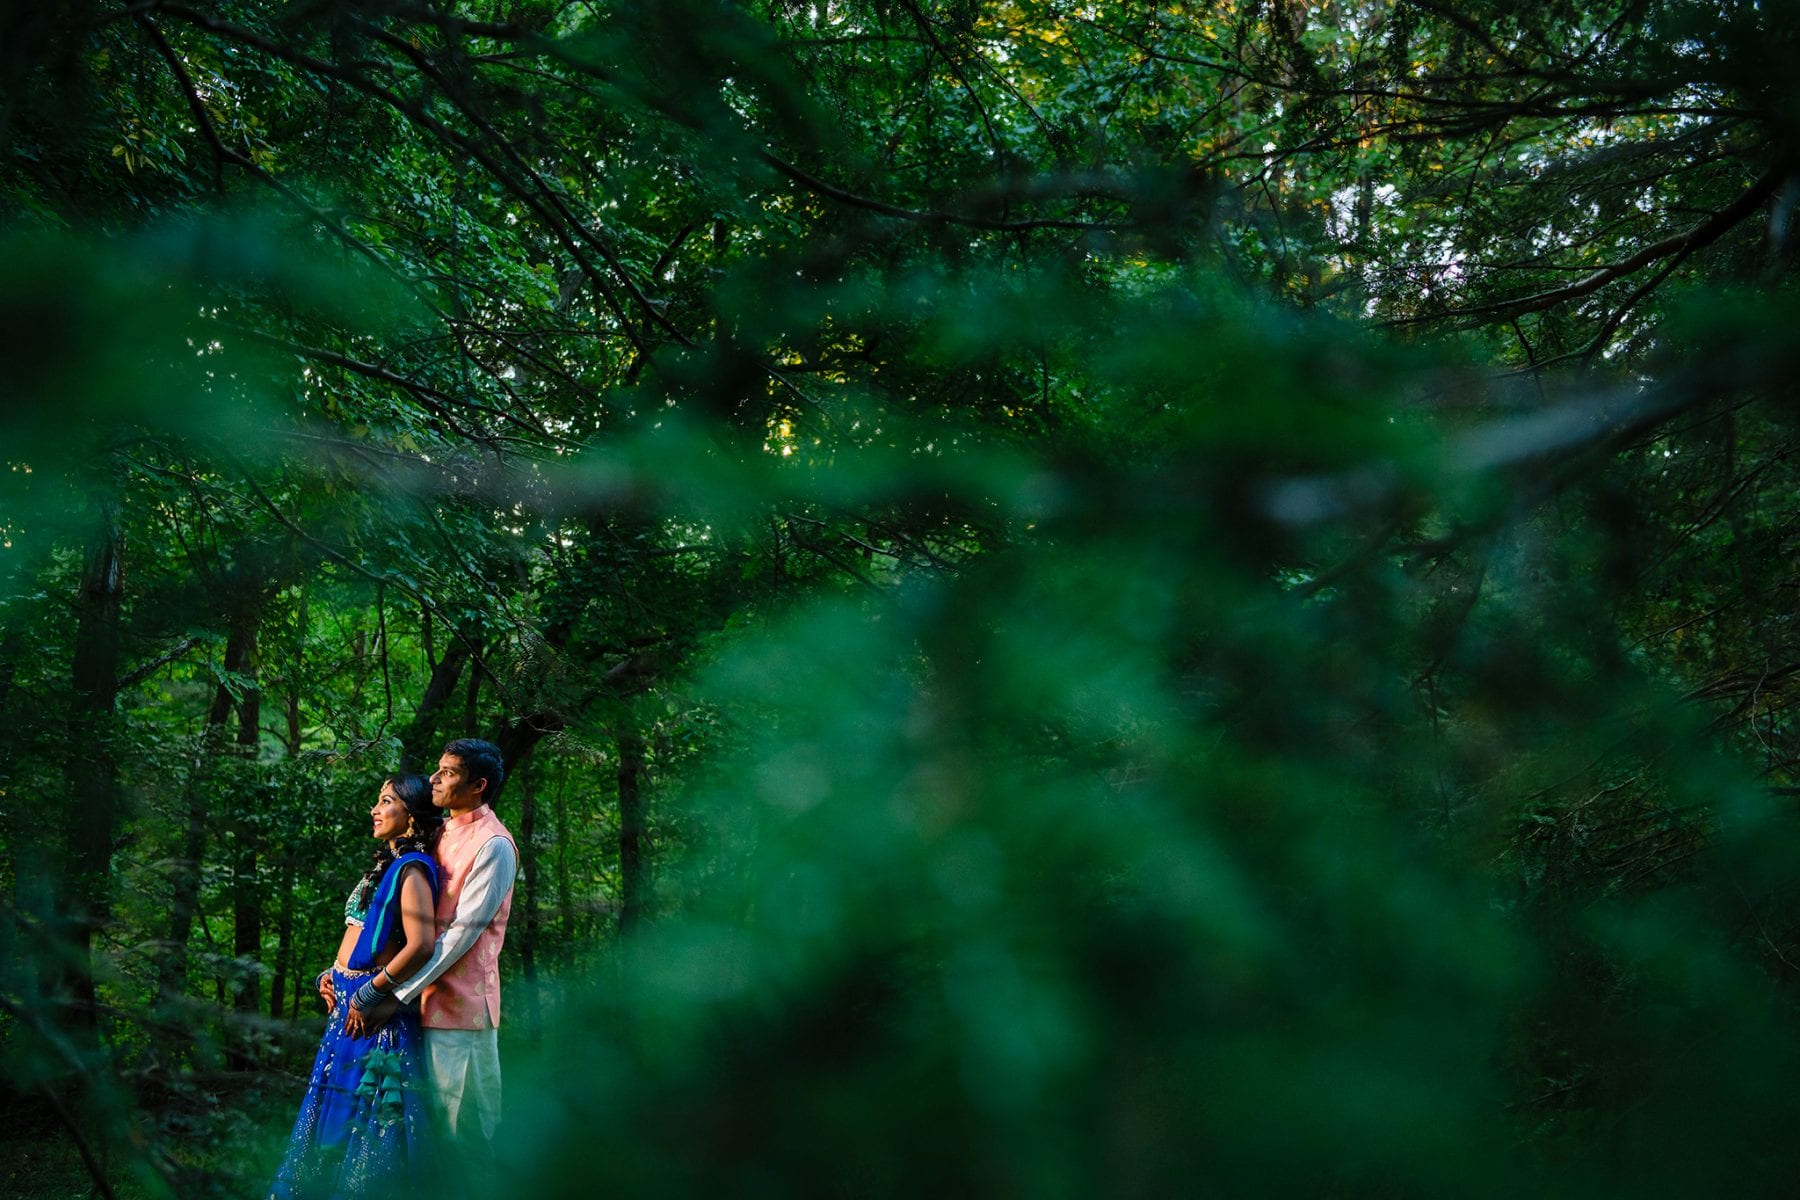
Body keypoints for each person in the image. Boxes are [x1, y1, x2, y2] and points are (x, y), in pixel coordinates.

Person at [348, 738, 517, 1190]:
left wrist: (388, 991)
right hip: (416, 1003)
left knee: (465, 1127)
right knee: (421, 1127)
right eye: (437, 769)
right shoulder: (441, 831)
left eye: (449, 772)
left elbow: (463, 934)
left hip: (461, 1010)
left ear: (478, 785)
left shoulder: (494, 845)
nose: (435, 778)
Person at [269, 775, 443, 1200]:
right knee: (332, 1110)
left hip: (372, 1012)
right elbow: (357, 932)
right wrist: (329, 975)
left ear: (412, 818)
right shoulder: (385, 865)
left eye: (386, 801)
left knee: (366, 1121)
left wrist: (370, 993)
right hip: (344, 1006)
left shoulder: (413, 868)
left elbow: (421, 945)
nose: (375, 809)